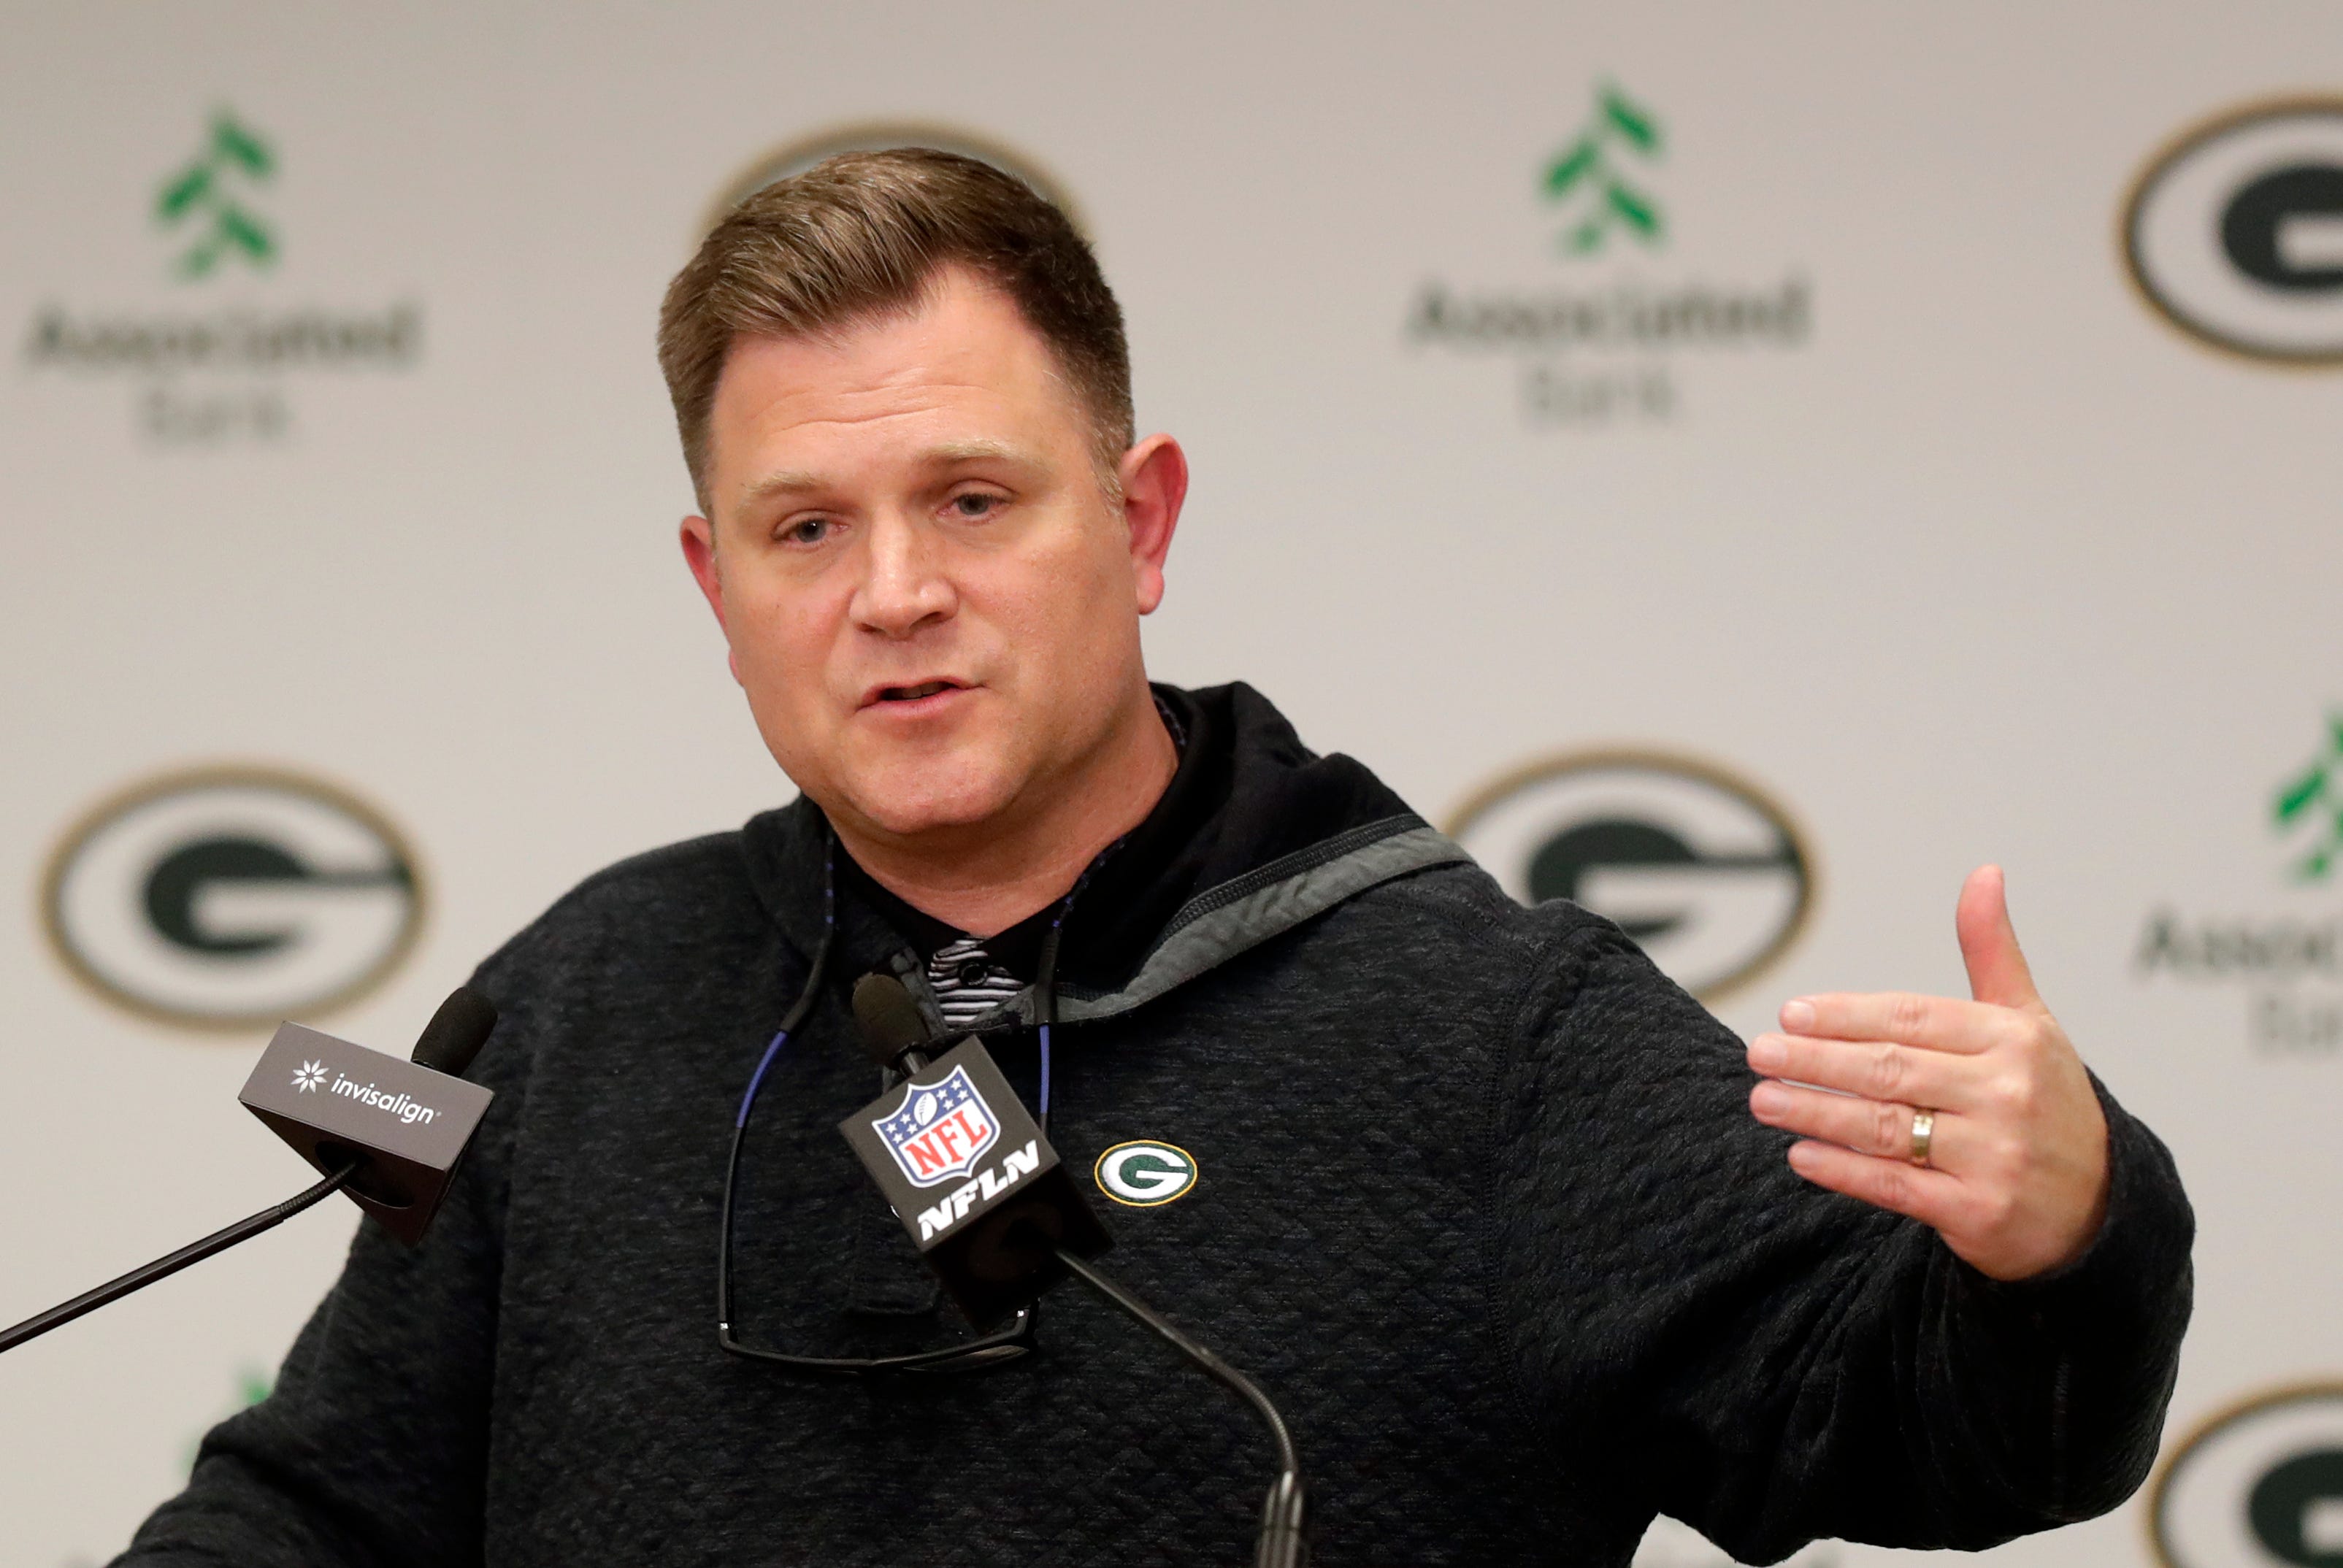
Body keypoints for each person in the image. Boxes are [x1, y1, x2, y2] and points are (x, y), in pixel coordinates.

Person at [114, 148, 2190, 1567]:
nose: (894, 593)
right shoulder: (589, 995)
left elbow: (1943, 1435)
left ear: (1141, 525)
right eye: (806, 528)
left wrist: (2071, 1233)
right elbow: (327, 1511)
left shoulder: (1489, 1033)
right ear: (714, 584)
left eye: (973, 499)